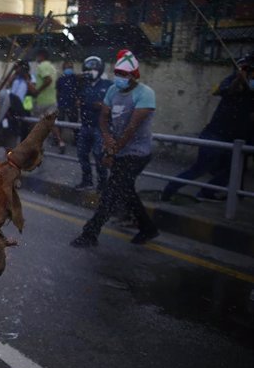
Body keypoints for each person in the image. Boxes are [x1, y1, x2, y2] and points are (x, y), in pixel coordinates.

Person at [70, 49, 158, 247]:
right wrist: (108, 138)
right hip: (118, 149)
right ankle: (148, 228)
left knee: (110, 192)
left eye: (124, 75)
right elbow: (103, 118)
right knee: (125, 190)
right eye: (118, 73)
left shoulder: (145, 94)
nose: (120, 78)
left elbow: (131, 129)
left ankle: (90, 233)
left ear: (134, 75)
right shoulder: (112, 91)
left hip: (137, 153)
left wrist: (111, 150)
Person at [161, 55, 254, 201]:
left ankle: (207, 192)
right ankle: (170, 188)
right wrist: (240, 79)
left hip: (237, 137)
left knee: (234, 170)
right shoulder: (231, 82)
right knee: (200, 168)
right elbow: (220, 90)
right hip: (216, 133)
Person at [75, 56, 112, 191]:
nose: (91, 71)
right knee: (82, 154)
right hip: (85, 126)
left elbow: (113, 105)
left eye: (93, 68)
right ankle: (87, 181)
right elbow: (78, 100)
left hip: (100, 128)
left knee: (99, 156)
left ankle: (102, 183)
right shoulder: (83, 85)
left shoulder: (108, 85)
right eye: (88, 69)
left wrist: (103, 106)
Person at [29, 48, 65, 153]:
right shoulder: (52, 67)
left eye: (37, 56)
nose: (37, 59)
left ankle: (35, 146)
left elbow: (48, 80)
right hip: (52, 99)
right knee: (51, 123)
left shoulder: (42, 66)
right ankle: (60, 142)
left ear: (41, 56)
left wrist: (38, 91)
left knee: (35, 123)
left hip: (42, 100)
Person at [56, 60, 79, 126]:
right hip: (62, 104)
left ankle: (76, 136)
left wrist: (78, 100)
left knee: (74, 124)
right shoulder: (60, 79)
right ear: (63, 68)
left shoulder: (76, 78)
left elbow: (79, 90)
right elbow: (58, 91)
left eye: (70, 67)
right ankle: (58, 136)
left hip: (73, 104)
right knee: (60, 123)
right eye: (67, 67)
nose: (69, 69)